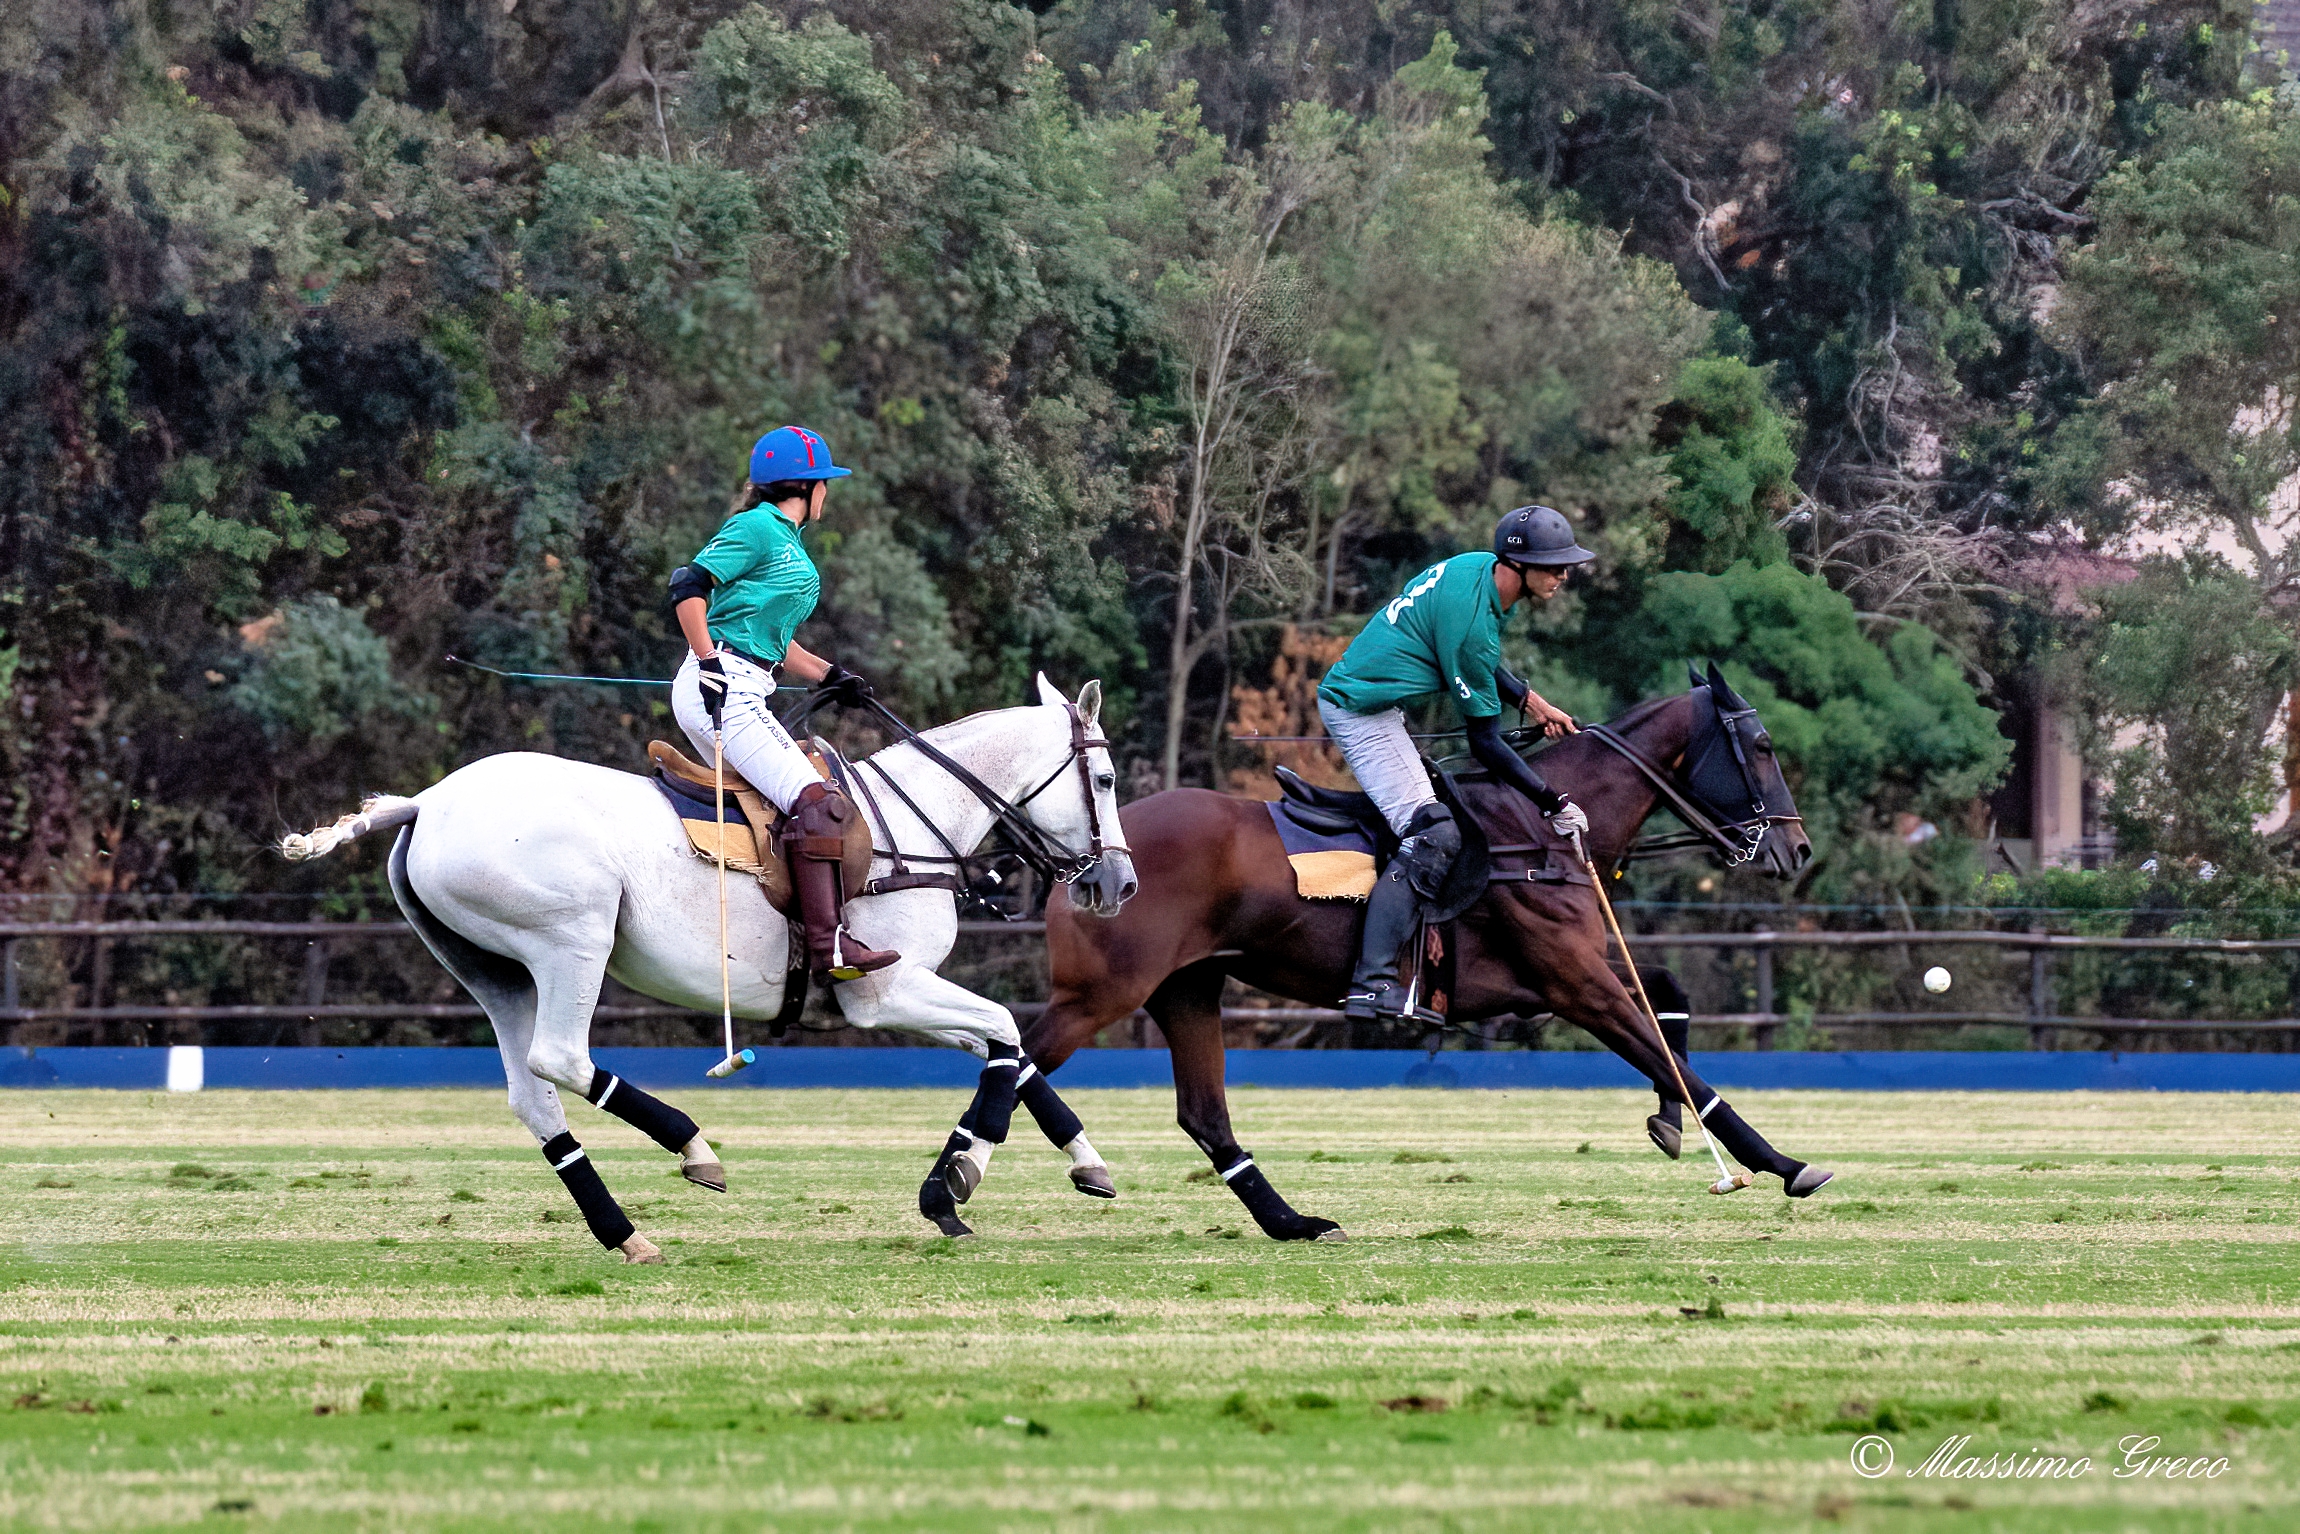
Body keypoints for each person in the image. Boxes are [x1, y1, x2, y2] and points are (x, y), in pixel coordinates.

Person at [1317, 505, 1595, 1021]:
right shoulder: (1473, 624)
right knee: (1434, 834)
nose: (1562, 574)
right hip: (1359, 711)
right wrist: (1553, 801)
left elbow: (1481, 662)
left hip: (1378, 704)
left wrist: (1532, 702)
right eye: (1552, 564)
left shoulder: (1477, 569)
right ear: (1516, 564)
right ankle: (1372, 980)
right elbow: (1486, 743)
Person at [666, 426, 897, 983]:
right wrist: (708, 662)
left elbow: (775, 638)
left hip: (745, 679)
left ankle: (778, 931)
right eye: (826, 484)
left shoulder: (787, 540)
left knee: (787, 801)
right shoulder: (757, 528)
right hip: (724, 686)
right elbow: (687, 586)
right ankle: (831, 947)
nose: (828, 495)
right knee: (818, 800)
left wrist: (830, 675)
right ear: (809, 486)